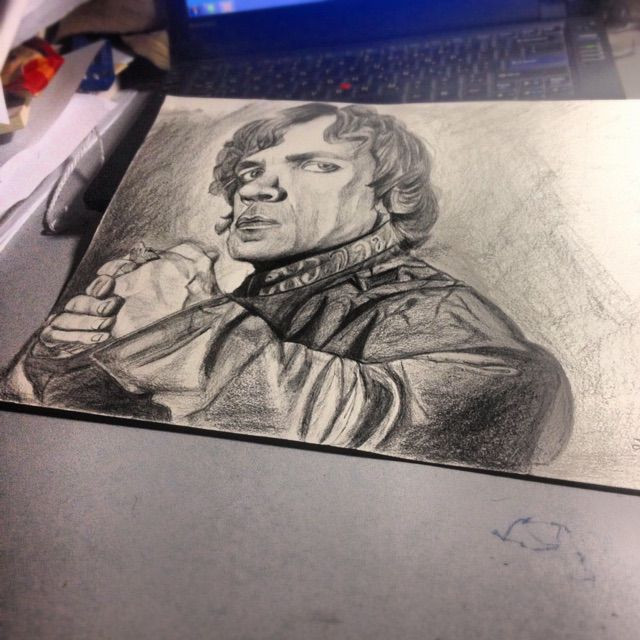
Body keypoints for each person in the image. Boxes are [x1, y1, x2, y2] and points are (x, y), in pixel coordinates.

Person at [2, 103, 571, 471]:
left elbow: (422, 429)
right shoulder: (240, 301)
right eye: (250, 172)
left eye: (316, 166)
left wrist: (184, 333)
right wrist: (63, 365)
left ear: (390, 198)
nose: (257, 189)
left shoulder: (435, 309)